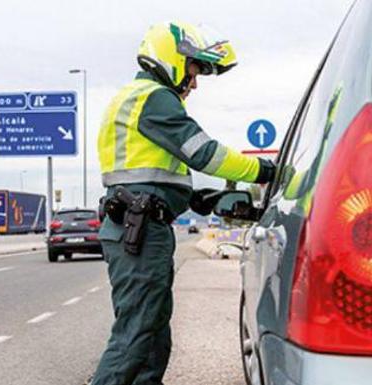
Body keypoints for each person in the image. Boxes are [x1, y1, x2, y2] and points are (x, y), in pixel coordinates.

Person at [92, 21, 276, 385]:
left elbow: (143, 174)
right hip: (140, 231)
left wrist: (191, 198)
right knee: (135, 336)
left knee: (151, 338)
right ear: (172, 58)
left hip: (135, 224)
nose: (194, 83)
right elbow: (204, 153)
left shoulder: (132, 97)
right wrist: (267, 171)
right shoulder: (154, 97)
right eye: (193, 70)